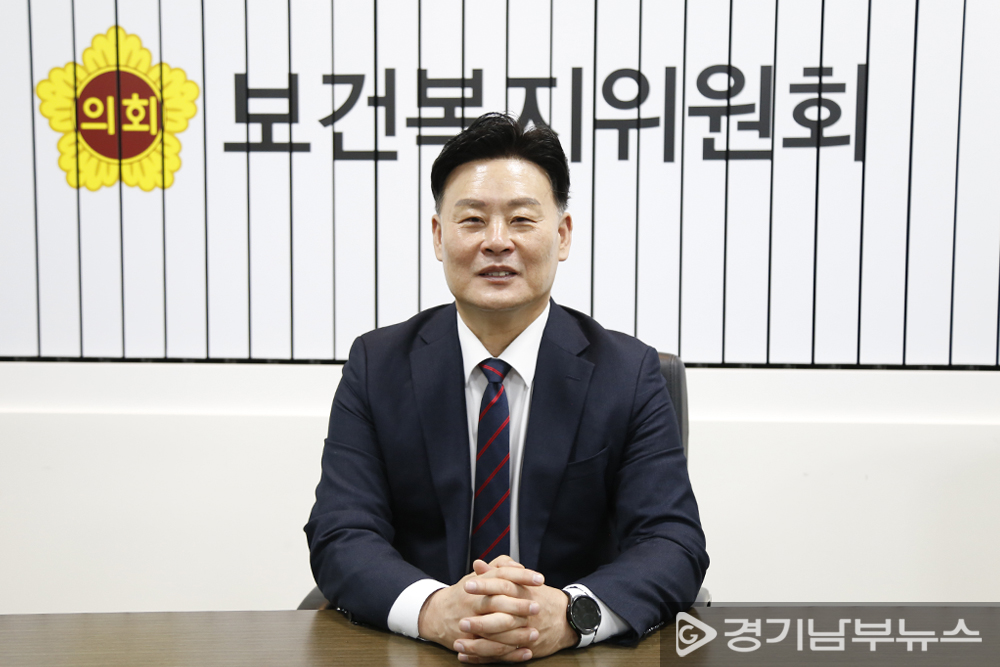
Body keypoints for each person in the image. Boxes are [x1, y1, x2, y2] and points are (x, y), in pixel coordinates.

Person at [305, 112, 708, 663]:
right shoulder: (377, 366)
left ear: (561, 236)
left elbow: (673, 543)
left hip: (574, 656)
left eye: (521, 220)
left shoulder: (628, 373)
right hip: (422, 652)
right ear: (438, 236)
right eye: (472, 220)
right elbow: (341, 531)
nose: (497, 242)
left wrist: (569, 614)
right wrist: (434, 610)